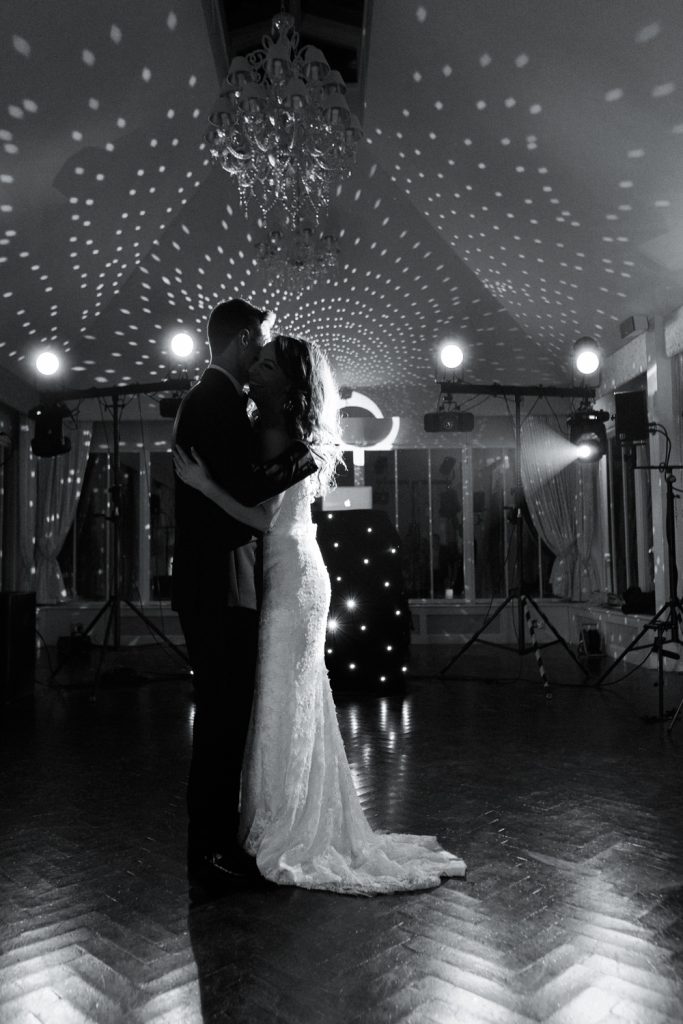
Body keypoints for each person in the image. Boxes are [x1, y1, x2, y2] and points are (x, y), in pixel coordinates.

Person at [174, 334, 466, 895]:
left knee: (285, 697)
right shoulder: (278, 427)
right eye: (254, 359)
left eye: (264, 363)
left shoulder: (282, 433)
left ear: (287, 380)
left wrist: (204, 484)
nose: (254, 369)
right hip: (293, 572)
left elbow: (261, 520)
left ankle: (285, 827)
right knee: (289, 698)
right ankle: (281, 819)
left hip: (292, 578)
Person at [172, 299, 316, 895]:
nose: (263, 351)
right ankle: (210, 848)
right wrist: (298, 462)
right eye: (260, 341)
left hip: (222, 582)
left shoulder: (222, 400)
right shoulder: (216, 400)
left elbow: (241, 490)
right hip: (216, 585)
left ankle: (213, 842)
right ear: (241, 340)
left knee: (225, 717)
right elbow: (248, 495)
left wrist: (293, 460)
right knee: (221, 720)